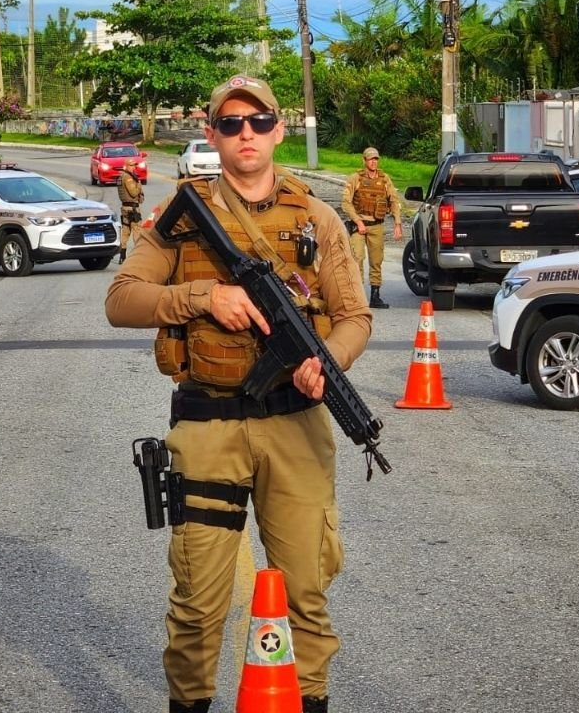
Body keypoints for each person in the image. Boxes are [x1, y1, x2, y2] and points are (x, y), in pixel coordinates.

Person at [106, 74, 373, 713]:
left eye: (258, 123)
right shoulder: (181, 217)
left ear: (279, 130)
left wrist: (325, 363)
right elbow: (122, 301)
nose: (245, 135)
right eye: (231, 124)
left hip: (295, 423)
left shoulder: (317, 217)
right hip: (208, 426)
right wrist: (205, 297)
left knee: (306, 593)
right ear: (212, 133)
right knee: (199, 601)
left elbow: (355, 316)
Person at [340, 146, 403, 309]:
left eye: (376, 159)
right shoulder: (355, 178)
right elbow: (346, 203)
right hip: (358, 226)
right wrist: (358, 221)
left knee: (376, 261)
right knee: (357, 259)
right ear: (364, 161)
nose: (373, 162)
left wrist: (397, 222)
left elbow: (394, 200)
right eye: (370, 159)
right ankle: (358, 297)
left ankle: (375, 296)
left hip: (376, 226)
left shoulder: (384, 179)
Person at [117, 157, 143, 263]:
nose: (134, 168)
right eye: (131, 166)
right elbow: (133, 192)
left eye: (134, 166)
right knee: (137, 231)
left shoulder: (122, 176)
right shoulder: (127, 177)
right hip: (132, 208)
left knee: (125, 231)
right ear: (126, 166)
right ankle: (137, 257)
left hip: (125, 208)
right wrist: (139, 185)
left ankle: (122, 256)